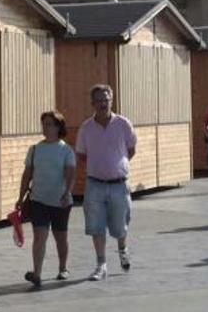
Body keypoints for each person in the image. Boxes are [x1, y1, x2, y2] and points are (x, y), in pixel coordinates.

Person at [75, 84, 137, 281]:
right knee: (96, 225)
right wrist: (100, 166)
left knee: (120, 226)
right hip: (95, 185)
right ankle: (101, 265)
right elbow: (82, 155)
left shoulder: (123, 124)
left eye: (106, 100)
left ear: (112, 101)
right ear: (92, 103)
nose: (103, 104)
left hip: (119, 184)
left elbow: (131, 149)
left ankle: (122, 248)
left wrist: (116, 165)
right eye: (99, 100)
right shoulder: (86, 128)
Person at [16, 111, 76, 287]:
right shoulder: (34, 149)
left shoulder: (66, 150)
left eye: (49, 124)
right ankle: (37, 273)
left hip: (60, 201)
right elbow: (27, 174)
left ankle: (63, 268)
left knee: (60, 237)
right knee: (39, 236)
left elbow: (71, 175)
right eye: (44, 124)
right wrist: (20, 197)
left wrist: (67, 193)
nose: (45, 127)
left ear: (58, 127)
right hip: (38, 200)